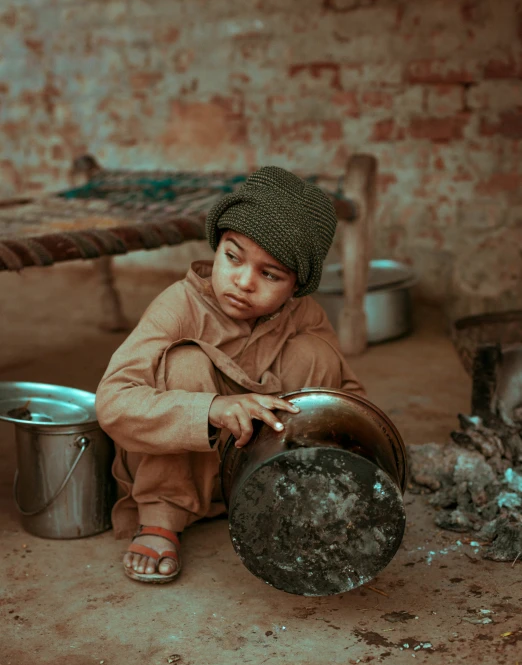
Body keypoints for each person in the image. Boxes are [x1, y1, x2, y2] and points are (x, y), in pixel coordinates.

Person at [96, 166, 366, 584]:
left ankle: (283, 498)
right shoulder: (179, 306)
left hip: (256, 474)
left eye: (269, 274)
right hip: (185, 471)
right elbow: (113, 402)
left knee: (314, 354)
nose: (242, 282)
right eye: (233, 257)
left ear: (297, 286)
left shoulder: (304, 315)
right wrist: (212, 409)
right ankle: (161, 520)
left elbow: (347, 395)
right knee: (185, 362)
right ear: (216, 246)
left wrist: (363, 460)